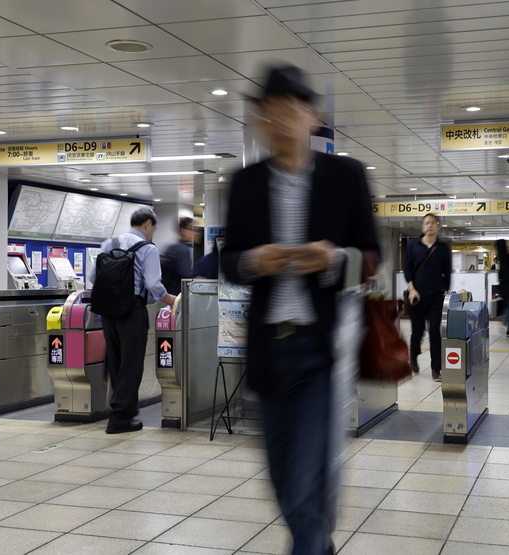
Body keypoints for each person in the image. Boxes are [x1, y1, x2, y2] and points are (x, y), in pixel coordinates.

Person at [221, 64, 380, 555]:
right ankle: (317, 543)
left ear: (312, 117)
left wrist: (332, 258)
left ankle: (311, 545)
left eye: (290, 110)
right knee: (280, 474)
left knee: (306, 474)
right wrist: (254, 261)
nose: (279, 121)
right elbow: (229, 262)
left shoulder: (345, 176)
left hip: (318, 349)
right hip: (268, 350)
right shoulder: (245, 182)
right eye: (268, 112)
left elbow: (370, 258)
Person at [89, 208, 175, 433]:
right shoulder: (147, 248)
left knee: (116, 360)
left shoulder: (110, 243)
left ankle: (118, 411)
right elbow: (153, 284)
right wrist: (170, 300)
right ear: (147, 224)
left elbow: (92, 277)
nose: (152, 234)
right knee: (131, 362)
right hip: (132, 310)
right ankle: (121, 417)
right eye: (153, 229)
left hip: (107, 311)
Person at [404, 213, 452, 381]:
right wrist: (411, 289)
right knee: (418, 331)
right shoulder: (412, 245)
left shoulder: (443, 248)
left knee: (435, 332)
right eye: (426, 223)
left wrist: (445, 292)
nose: (429, 226)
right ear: (422, 226)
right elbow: (407, 269)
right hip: (416, 296)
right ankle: (413, 355)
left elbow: (447, 272)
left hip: (436, 297)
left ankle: (436, 368)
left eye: (432, 223)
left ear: (438, 226)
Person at [160, 217, 194, 295]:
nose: (193, 233)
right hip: (179, 293)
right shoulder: (184, 250)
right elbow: (185, 274)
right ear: (182, 230)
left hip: (167, 291)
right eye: (191, 229)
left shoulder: (170, 247)